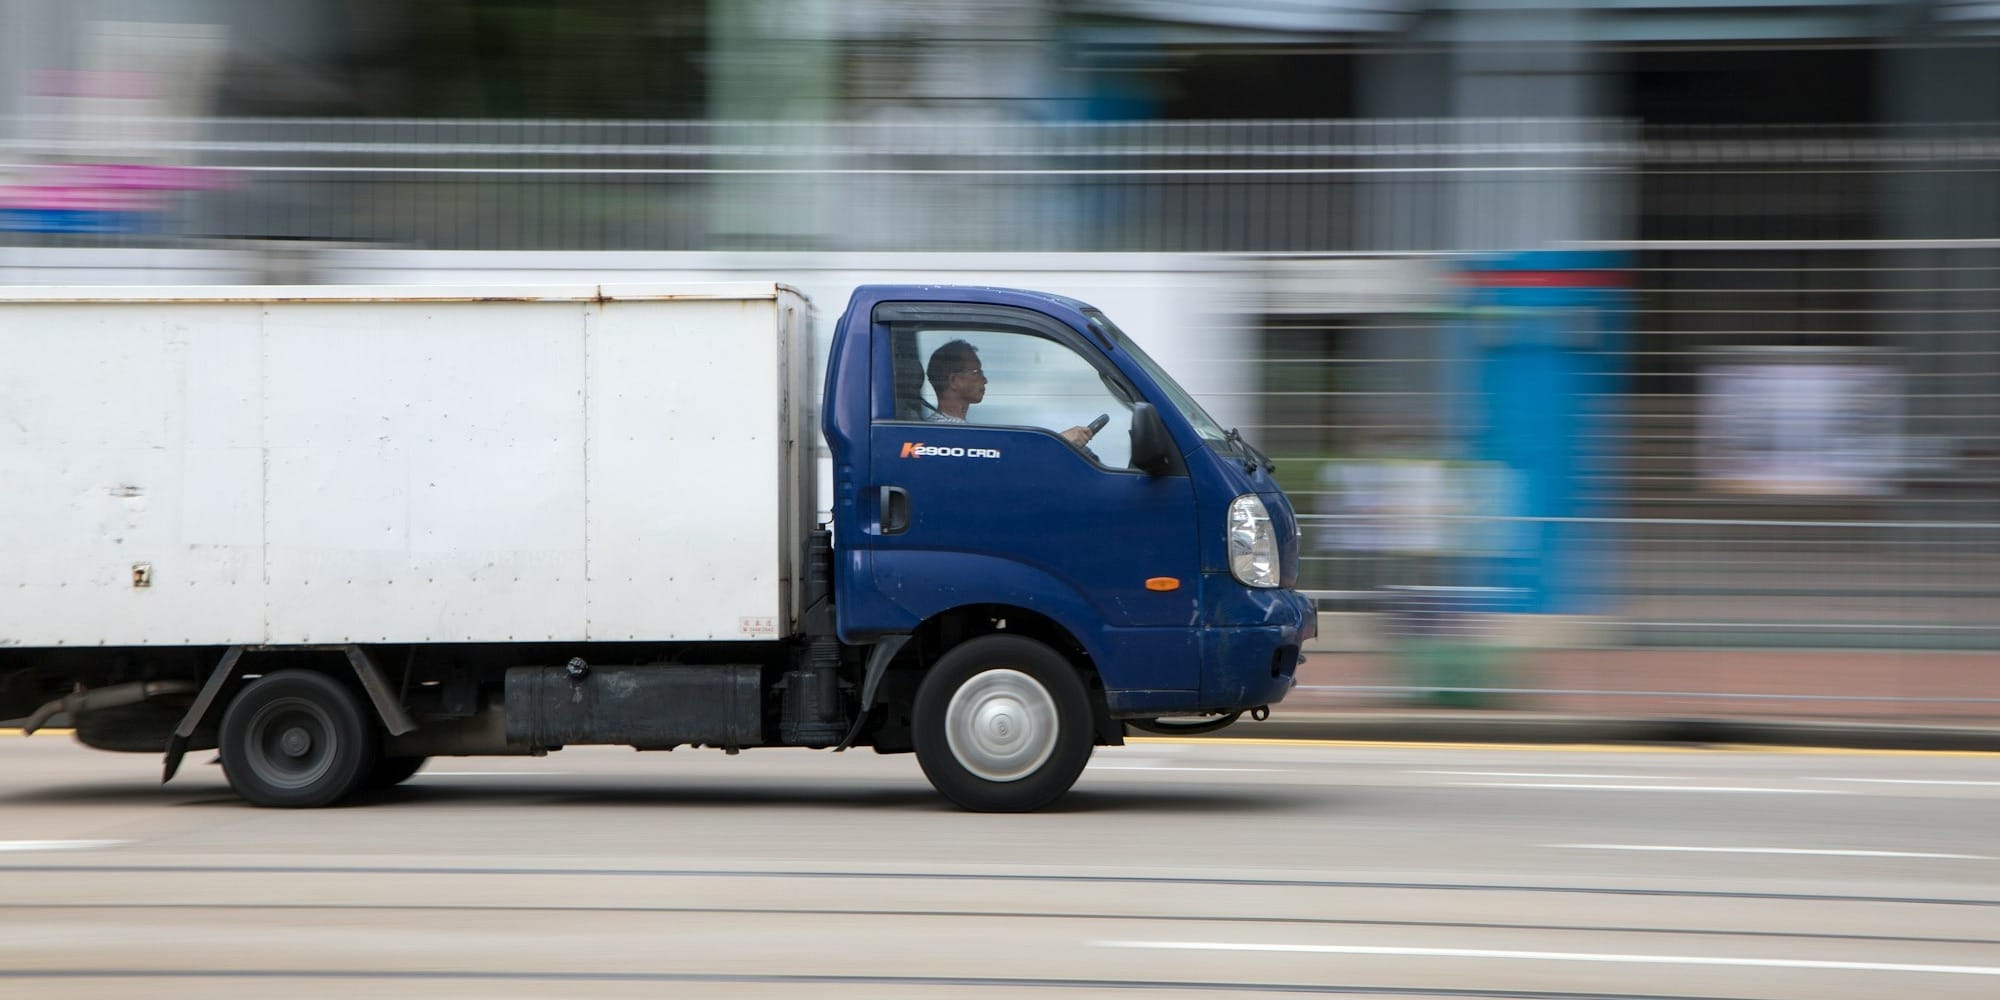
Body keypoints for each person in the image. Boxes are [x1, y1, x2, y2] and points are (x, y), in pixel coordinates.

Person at [922, 339, 1097, 446]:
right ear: (954, 380)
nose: (985, 380)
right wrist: (1060, 442)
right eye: (977, 372)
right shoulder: (945, 433)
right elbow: (1008, 460)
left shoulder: (951, 428)